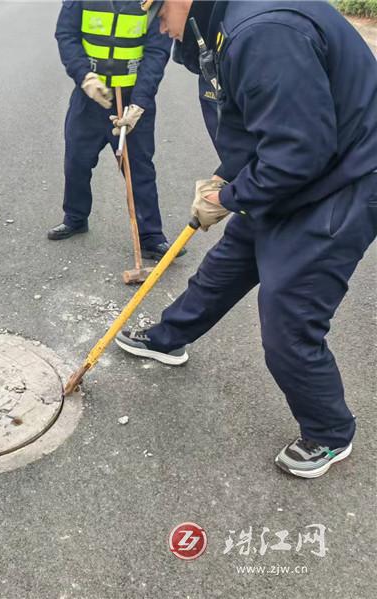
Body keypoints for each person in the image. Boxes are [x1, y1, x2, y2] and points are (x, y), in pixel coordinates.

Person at [115, 0, 377, 478]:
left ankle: (329, 432)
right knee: (228, 263)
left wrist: (232, 196)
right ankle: (168, 338)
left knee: (289, 316)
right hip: (293, 175)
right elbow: (260, 125)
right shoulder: (218, 27)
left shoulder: (263, 32)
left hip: (343, 182)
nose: (161, 31)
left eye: (157, 17)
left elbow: (300, 150)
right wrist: (225, 179)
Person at [49, 0, 184, 262]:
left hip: (132, 97)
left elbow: (157, 52)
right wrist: (84, 77)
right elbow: (66, 34)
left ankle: (151, 237)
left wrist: (140, 103)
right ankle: (75, 218)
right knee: (77, 159)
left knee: (138, 168)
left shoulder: (152, 3)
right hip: (90, 96)